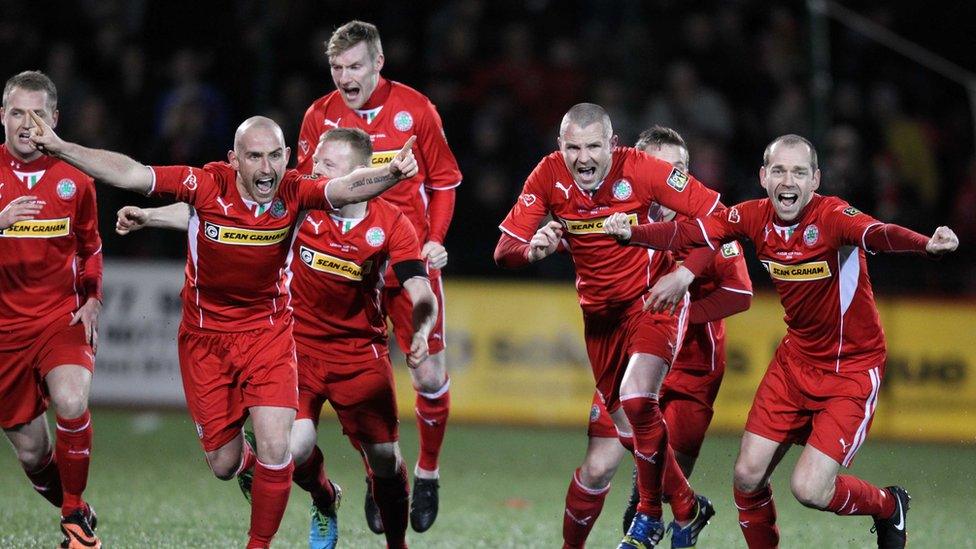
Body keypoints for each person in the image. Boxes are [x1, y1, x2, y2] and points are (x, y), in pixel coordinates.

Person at [28, 112, 418, 548]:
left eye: (275, 156)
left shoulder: (294, 192)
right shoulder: (207, 185)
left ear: (288, 157)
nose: (266, 167)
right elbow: (134, 173)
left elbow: (344, 188)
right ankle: (303, 485)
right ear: (234, 160)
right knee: (223, 462)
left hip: (269, 334)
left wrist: (391, 173)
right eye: (255, 157)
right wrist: (63, 148)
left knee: (279, 447)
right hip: (205, 340)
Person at [603, 134, 959, 548]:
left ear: (815, 180)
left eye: (799, 172)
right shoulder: (753, 217)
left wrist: (926, 246)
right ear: (763, 176)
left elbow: (877, 233)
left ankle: (887, 505)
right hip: (794, 364)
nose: (788, 181)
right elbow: (691, 233)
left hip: (851, 370)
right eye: (779, 170)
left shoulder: (833, 216)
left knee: (809, 490)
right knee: (746, 478)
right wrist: (635, 234)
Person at [495, 103, 724, 548]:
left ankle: (648, 514)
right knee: (623, 429)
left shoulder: (642, 170)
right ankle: (688, 507)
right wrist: (534, 250)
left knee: (639, 399)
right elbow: (505, 250)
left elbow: (716, 215)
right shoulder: (547, 176)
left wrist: (684, 274)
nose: (583, 158)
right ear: (560, 146)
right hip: (599, 320)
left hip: (652, 303)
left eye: (593, 146)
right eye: (573, 147)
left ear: (612, 145)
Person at [295, 21, 462, 533]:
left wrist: (435, 237)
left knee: (428, 374)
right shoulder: (318, 116)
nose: (346, 77)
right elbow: (303, 188)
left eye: (356, 66)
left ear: (379, 63)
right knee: (362, 382)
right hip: (341, 266)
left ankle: (428, 472)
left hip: (403, 260)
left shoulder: (417, 110)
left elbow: (445, 181)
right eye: (337, 68)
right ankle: (377, 474)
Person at [561, 126, 752, 549]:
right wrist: (548, 236)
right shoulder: (619, 215)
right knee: (597, 467)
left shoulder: (709, 221)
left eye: (678, 170)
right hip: (633, 355)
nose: (670, 180)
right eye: (660, 169)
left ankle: (656, 514)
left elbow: (740, 293)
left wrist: (677, 306)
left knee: (660, 493)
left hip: (692, 371)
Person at [0, 70, 103, 549]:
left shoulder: (75, 178)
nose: (26, 123)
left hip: (59, 317)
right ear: (1, 116)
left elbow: (90, 245)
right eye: (17, 112)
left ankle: (74, 525)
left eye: (37, 114)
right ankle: (74, 505)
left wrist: (94, 298)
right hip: (4, 332)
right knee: (34, 453)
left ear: (54, 119)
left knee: (71, 400)